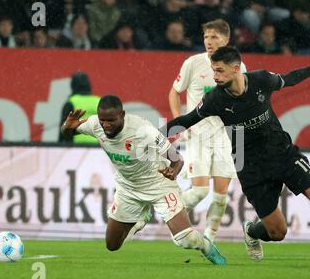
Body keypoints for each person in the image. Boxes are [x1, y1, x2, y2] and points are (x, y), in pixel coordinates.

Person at [162, 45, 310, 268]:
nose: (215, 76)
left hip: (282, 153)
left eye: (219, 71)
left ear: (236, 69)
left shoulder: (261, 80)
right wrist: (155, 136)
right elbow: (188, 119)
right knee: (278, 232)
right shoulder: (214, 100)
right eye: (213, 70)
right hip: (250, 167)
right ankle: (251, 230)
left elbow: (290, 79)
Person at [60, 95, 226, 265]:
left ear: (122, 115)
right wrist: (67, 126)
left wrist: (173, 172)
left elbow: (177, 159)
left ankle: (207, 246)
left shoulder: (143, 130)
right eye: (103, 120)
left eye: (111, 120)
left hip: (158, 184)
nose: (106, 125)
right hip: (128, 188)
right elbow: (66, 133)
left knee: (185, 239)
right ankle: (142, 216)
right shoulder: (96, 124)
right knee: (112, 245)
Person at [168, 19, 246, 242]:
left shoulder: (238, 66)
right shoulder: (193, 63)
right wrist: (179, 122)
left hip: (228, 136)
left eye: (214, 37)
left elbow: (243, 99)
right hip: (198, 134)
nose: (209, 42)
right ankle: (167, 211)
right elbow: (174, 92)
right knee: (200, 191)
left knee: (221, 196)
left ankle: (210, 239)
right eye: (206, 37)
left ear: (226, 39)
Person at [59, 72, 100, 144]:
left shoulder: (71, 102)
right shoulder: (99, 101)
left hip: (77, 148)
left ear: (73, 85)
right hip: (97, 147)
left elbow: (64, 130)